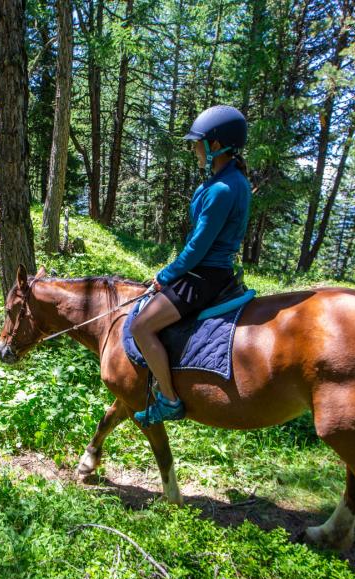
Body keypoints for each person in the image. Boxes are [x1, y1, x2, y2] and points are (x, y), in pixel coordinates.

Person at [132, 105, 251, 426]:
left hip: (203, 276)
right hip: (213, 271)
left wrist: (164, 276)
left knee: (140, 326)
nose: (193, 149)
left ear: (216, 145)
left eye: (198, 143)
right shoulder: (230, 180)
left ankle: (170, 400)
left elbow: (197, 248)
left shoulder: (222, 189)